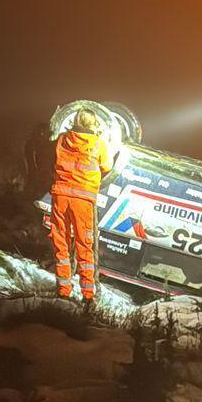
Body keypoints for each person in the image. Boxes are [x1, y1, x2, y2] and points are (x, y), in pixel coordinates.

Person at [50, 107, 112, 303]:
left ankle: (63, 290)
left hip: (60, 195)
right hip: (83, 200)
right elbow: (107, 166)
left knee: (61, 243)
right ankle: (87, 295)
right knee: (84, 245)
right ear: (93, 124)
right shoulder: (98, 144)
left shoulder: (62, 139)